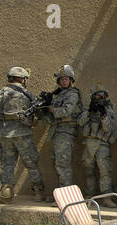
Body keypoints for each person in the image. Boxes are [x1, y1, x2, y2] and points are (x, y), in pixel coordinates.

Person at [0, 67, 45, 203]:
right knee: (31, 164)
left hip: (5, 134)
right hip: (24, 134)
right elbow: (39, 113)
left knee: (7, 164)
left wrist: (0, 124)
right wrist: (32, 121)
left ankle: (6, 194)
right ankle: (38, 193)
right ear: (22, 79)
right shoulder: (27, 94)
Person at [43, 65, 83, 203]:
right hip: (56, 131)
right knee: (57, 163)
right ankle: (60, 195)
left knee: (63, 164)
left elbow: (67, 111)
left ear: (71, 80)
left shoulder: (73, 94)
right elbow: (50, 117)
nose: (63, 81)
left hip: (66, 132)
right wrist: (45, 110)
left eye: (66, 79)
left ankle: (67, 199)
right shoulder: (58, 95)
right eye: (61, 79)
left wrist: (52, 110)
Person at [78, 84, 117, 208]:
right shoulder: (87, 110)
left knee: (105, 172)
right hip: (89, 144)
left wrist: (103, 115)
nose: (100, 97)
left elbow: (108, 129)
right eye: (97, 95)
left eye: (103, 95)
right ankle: (90, 196)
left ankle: (106, 198)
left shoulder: (110, 111)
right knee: (89, 171)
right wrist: (89, 112)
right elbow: (80, 122)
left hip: (102, 145)